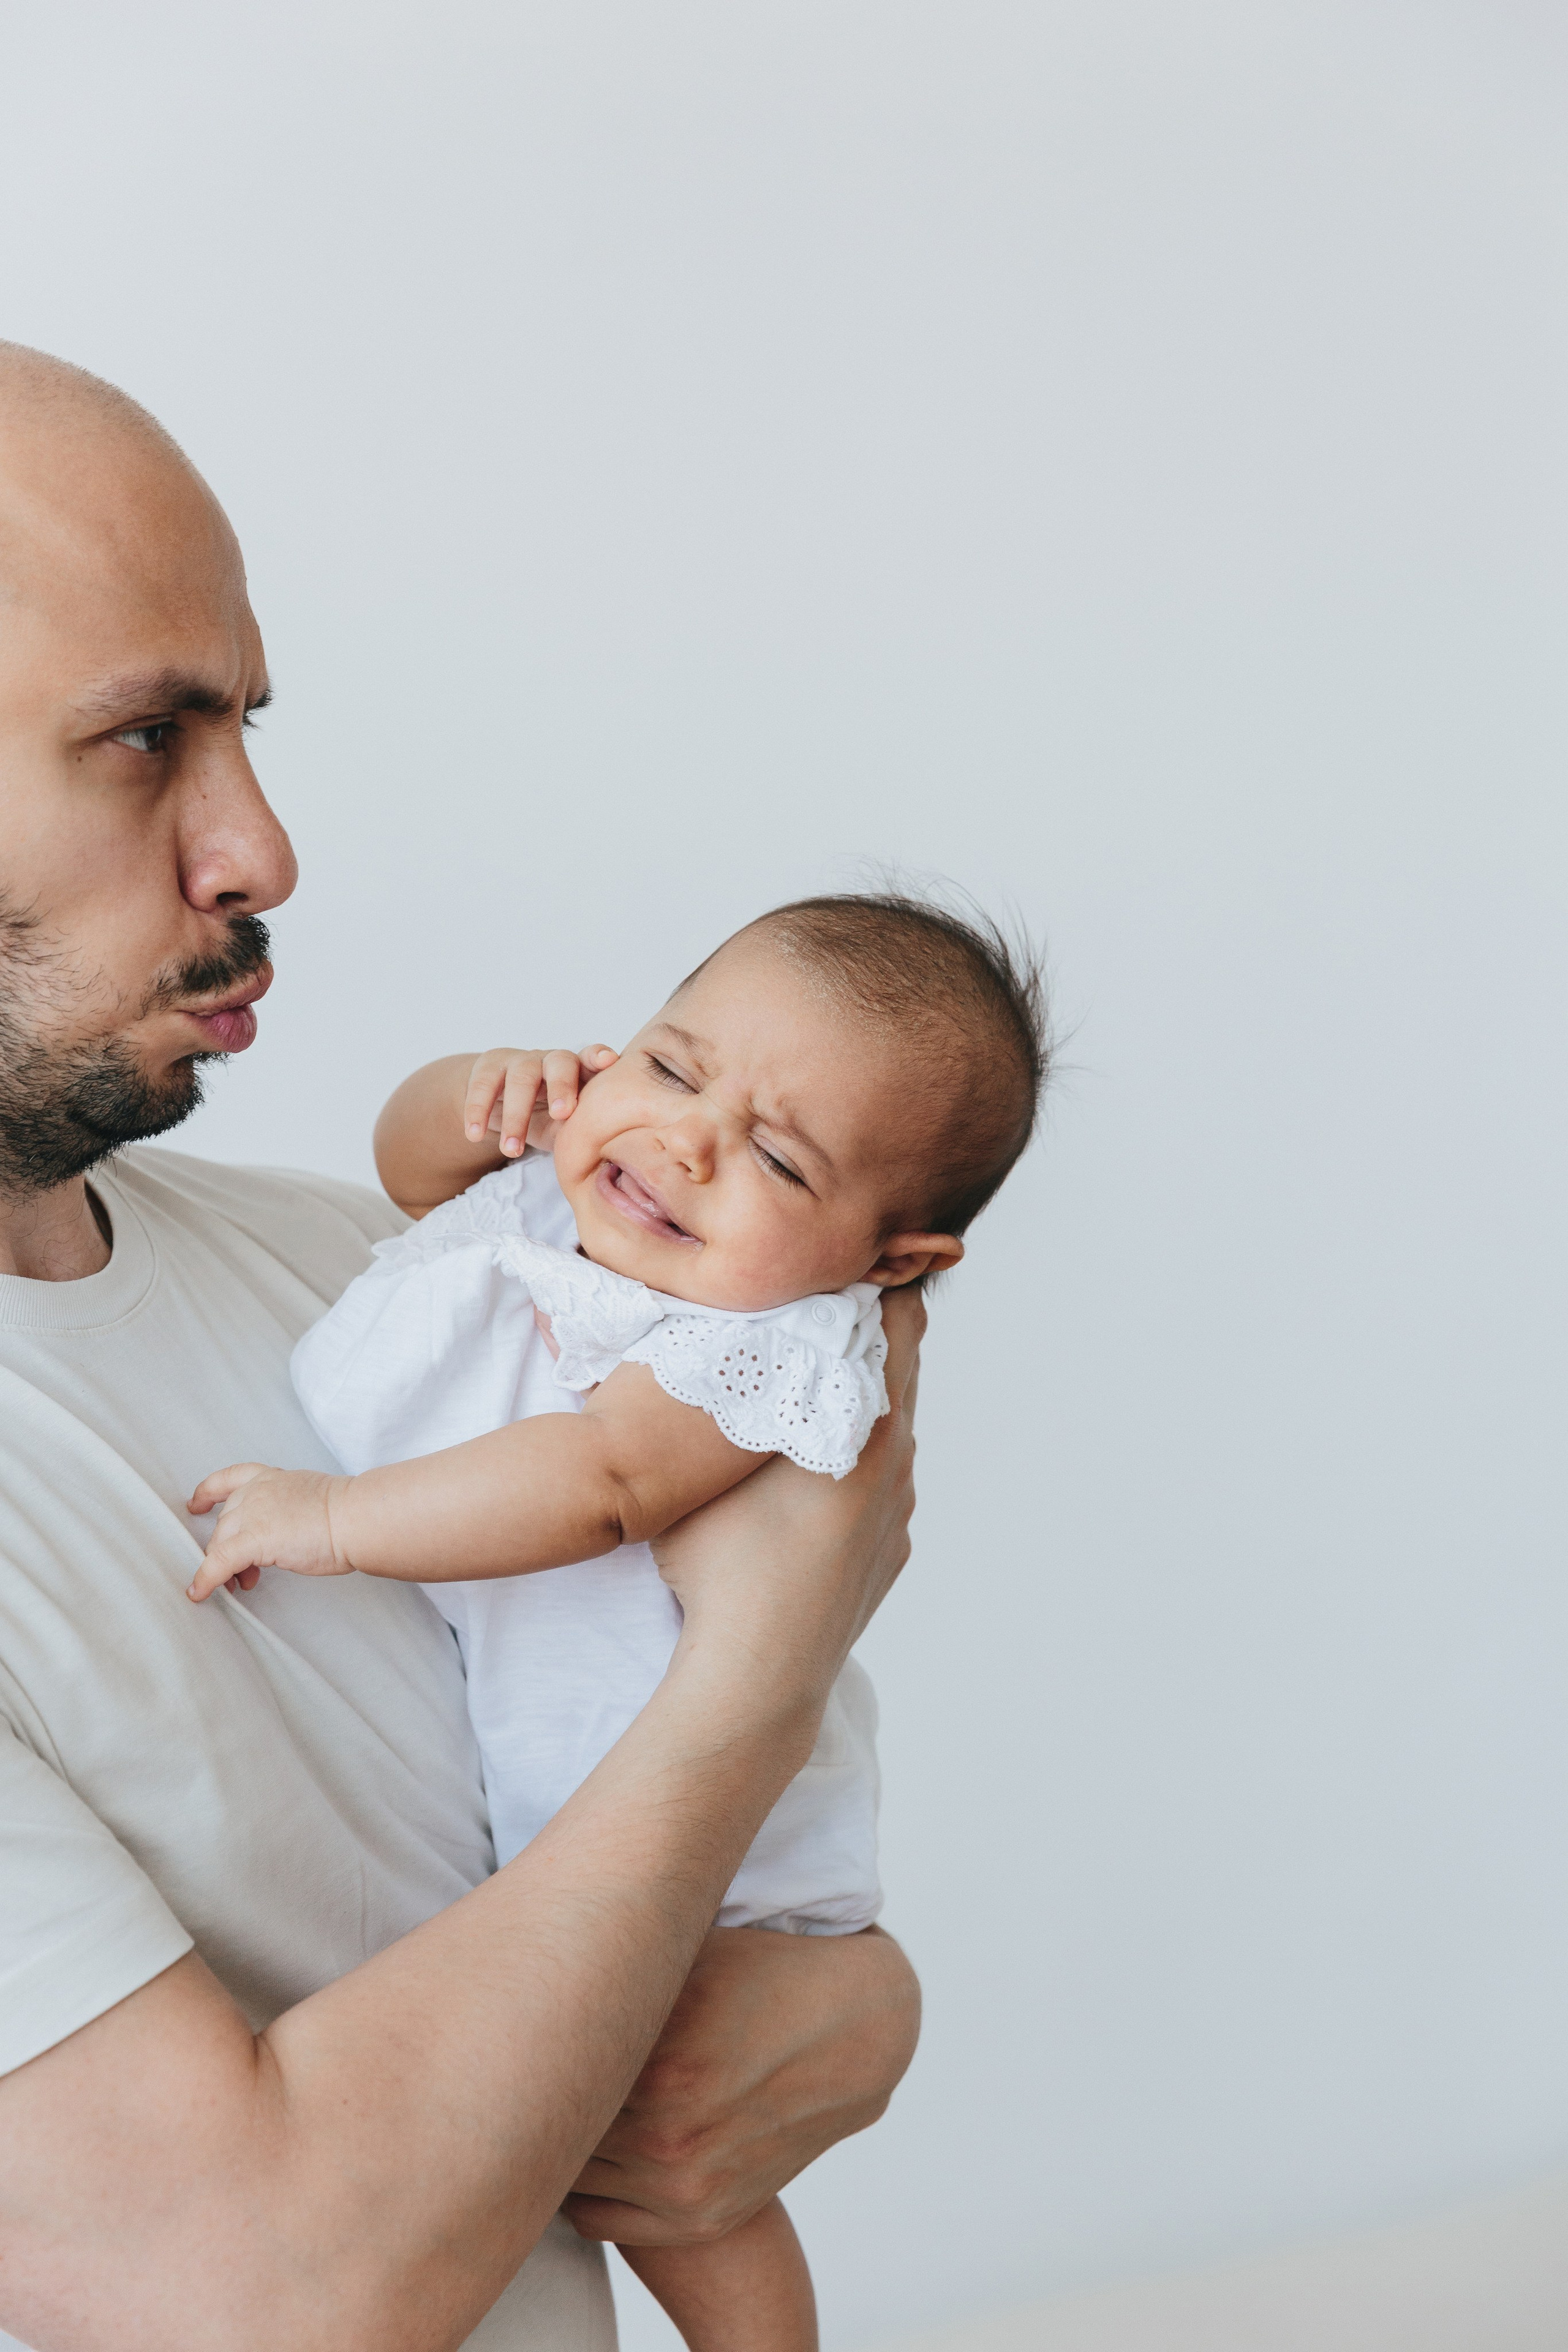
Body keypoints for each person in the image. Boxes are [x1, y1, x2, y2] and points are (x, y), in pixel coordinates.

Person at [0, 342, 922, 2352]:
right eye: (148, 737)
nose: (262, 850)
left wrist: (853, 1999)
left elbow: (715, 1953)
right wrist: (763, 1669)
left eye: (244, 725)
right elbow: (249, 2297)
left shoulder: (391, 1296)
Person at [183, 894, 1047, 2347]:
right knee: (617, 2169)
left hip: (710, 1858)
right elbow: (406, 1175)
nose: (686, 1141)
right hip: (573, 1811)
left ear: (889, 1262)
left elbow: (598, 1486)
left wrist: (332, 1520)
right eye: (669, 1064)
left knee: (684, 2194)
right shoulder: (580, 1207)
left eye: (776, 1156)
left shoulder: (771, 1341)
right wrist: (472, 1099)